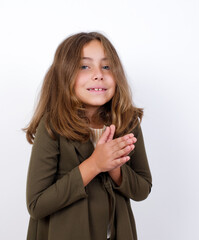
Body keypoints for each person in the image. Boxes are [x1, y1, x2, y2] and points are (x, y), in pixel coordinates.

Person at [23, 32, 152, 240]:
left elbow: (142, 189)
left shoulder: (127, 122)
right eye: (85, 66)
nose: (98, 74)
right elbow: (36, 204)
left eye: (106, 66)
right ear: (64, 74)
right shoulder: (53, 126)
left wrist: (115, 168)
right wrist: (95, 164)